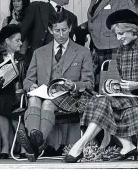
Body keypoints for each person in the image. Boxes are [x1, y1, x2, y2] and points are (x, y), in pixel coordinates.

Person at [64, 9, 138, 163]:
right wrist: (116, 86)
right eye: (116, 34)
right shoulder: (120, 51)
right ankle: (127, 145)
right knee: (98, 100)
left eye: (121, 34)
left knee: (102, 103)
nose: (118, 38)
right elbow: (124, 81)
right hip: (127, 97)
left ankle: (79, 146)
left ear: (132, 30)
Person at [18, 12, 94, 162]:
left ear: (70, 28)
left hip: (70, 98)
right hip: (43, 93)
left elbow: (89, 83)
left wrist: (74, 85)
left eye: (64, 30)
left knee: (46, 103)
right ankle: (36, 141)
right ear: (51, 30)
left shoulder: (83, 52)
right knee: (33, 99)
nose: (61, 34)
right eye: (57, 30)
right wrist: (31, 85)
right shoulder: (39, 53)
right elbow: (27, 80)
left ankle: (34, 146)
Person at [79, 0, 136, 91]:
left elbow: (128, 23)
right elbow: (97, 18)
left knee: (111, 85)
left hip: (114, 48)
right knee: (95, 85)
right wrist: (85, 26)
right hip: (96, 47)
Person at [20, 0, 85, 68]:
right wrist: (17, 56)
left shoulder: (71, 17)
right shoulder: (37, 7)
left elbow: (73, 44)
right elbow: (21, 32)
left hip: (62, 65)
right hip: (37, 62)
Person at [0, 24, 27, 159]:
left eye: (21, 40)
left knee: (5, 103)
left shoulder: (23, 59)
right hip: (1, 96)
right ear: (7, 41)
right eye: (17, 40)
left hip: (20, 96)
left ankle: (10, 146)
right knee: (1, 100)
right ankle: (13, 145)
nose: (21, 43)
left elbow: (29, 79)